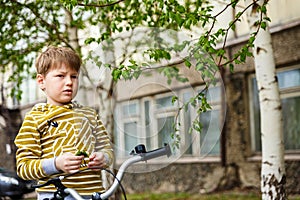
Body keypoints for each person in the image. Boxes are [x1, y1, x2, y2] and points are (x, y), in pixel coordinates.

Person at [14, 46, 114, 200]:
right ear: (41, 81)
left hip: (95, 195)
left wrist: (103, 158)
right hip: (55, 196)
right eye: (61, 76)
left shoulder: (90, 114)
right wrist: (55, 164)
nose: (69, 82)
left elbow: (107, 150)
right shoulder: (35, 118)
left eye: (74, 76)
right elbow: (24, 167)